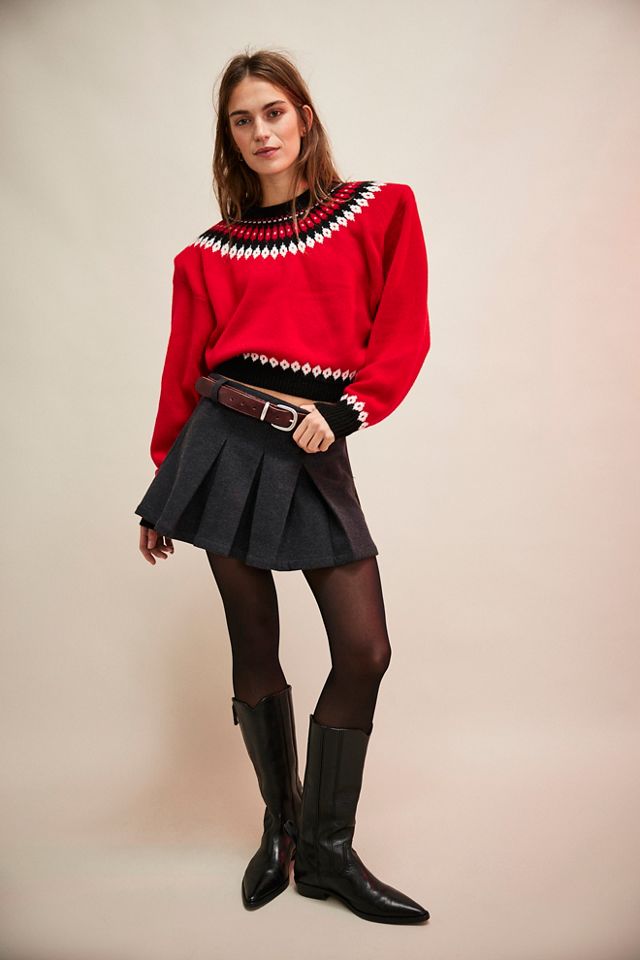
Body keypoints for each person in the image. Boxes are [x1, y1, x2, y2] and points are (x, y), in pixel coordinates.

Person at [134, 48, 431, 925]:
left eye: (273, 111)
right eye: (242, 119)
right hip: (218, 449)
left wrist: (344, 412)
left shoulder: (381, 209)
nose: (261, 131)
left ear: (302, 114)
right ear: (229, 136)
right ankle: (285, 832)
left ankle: (330, 853)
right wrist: (166, 478)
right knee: (253, 646)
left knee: (364, 650)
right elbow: (182, 370)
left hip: (310, 443)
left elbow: (403, 330)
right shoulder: (205, 255)